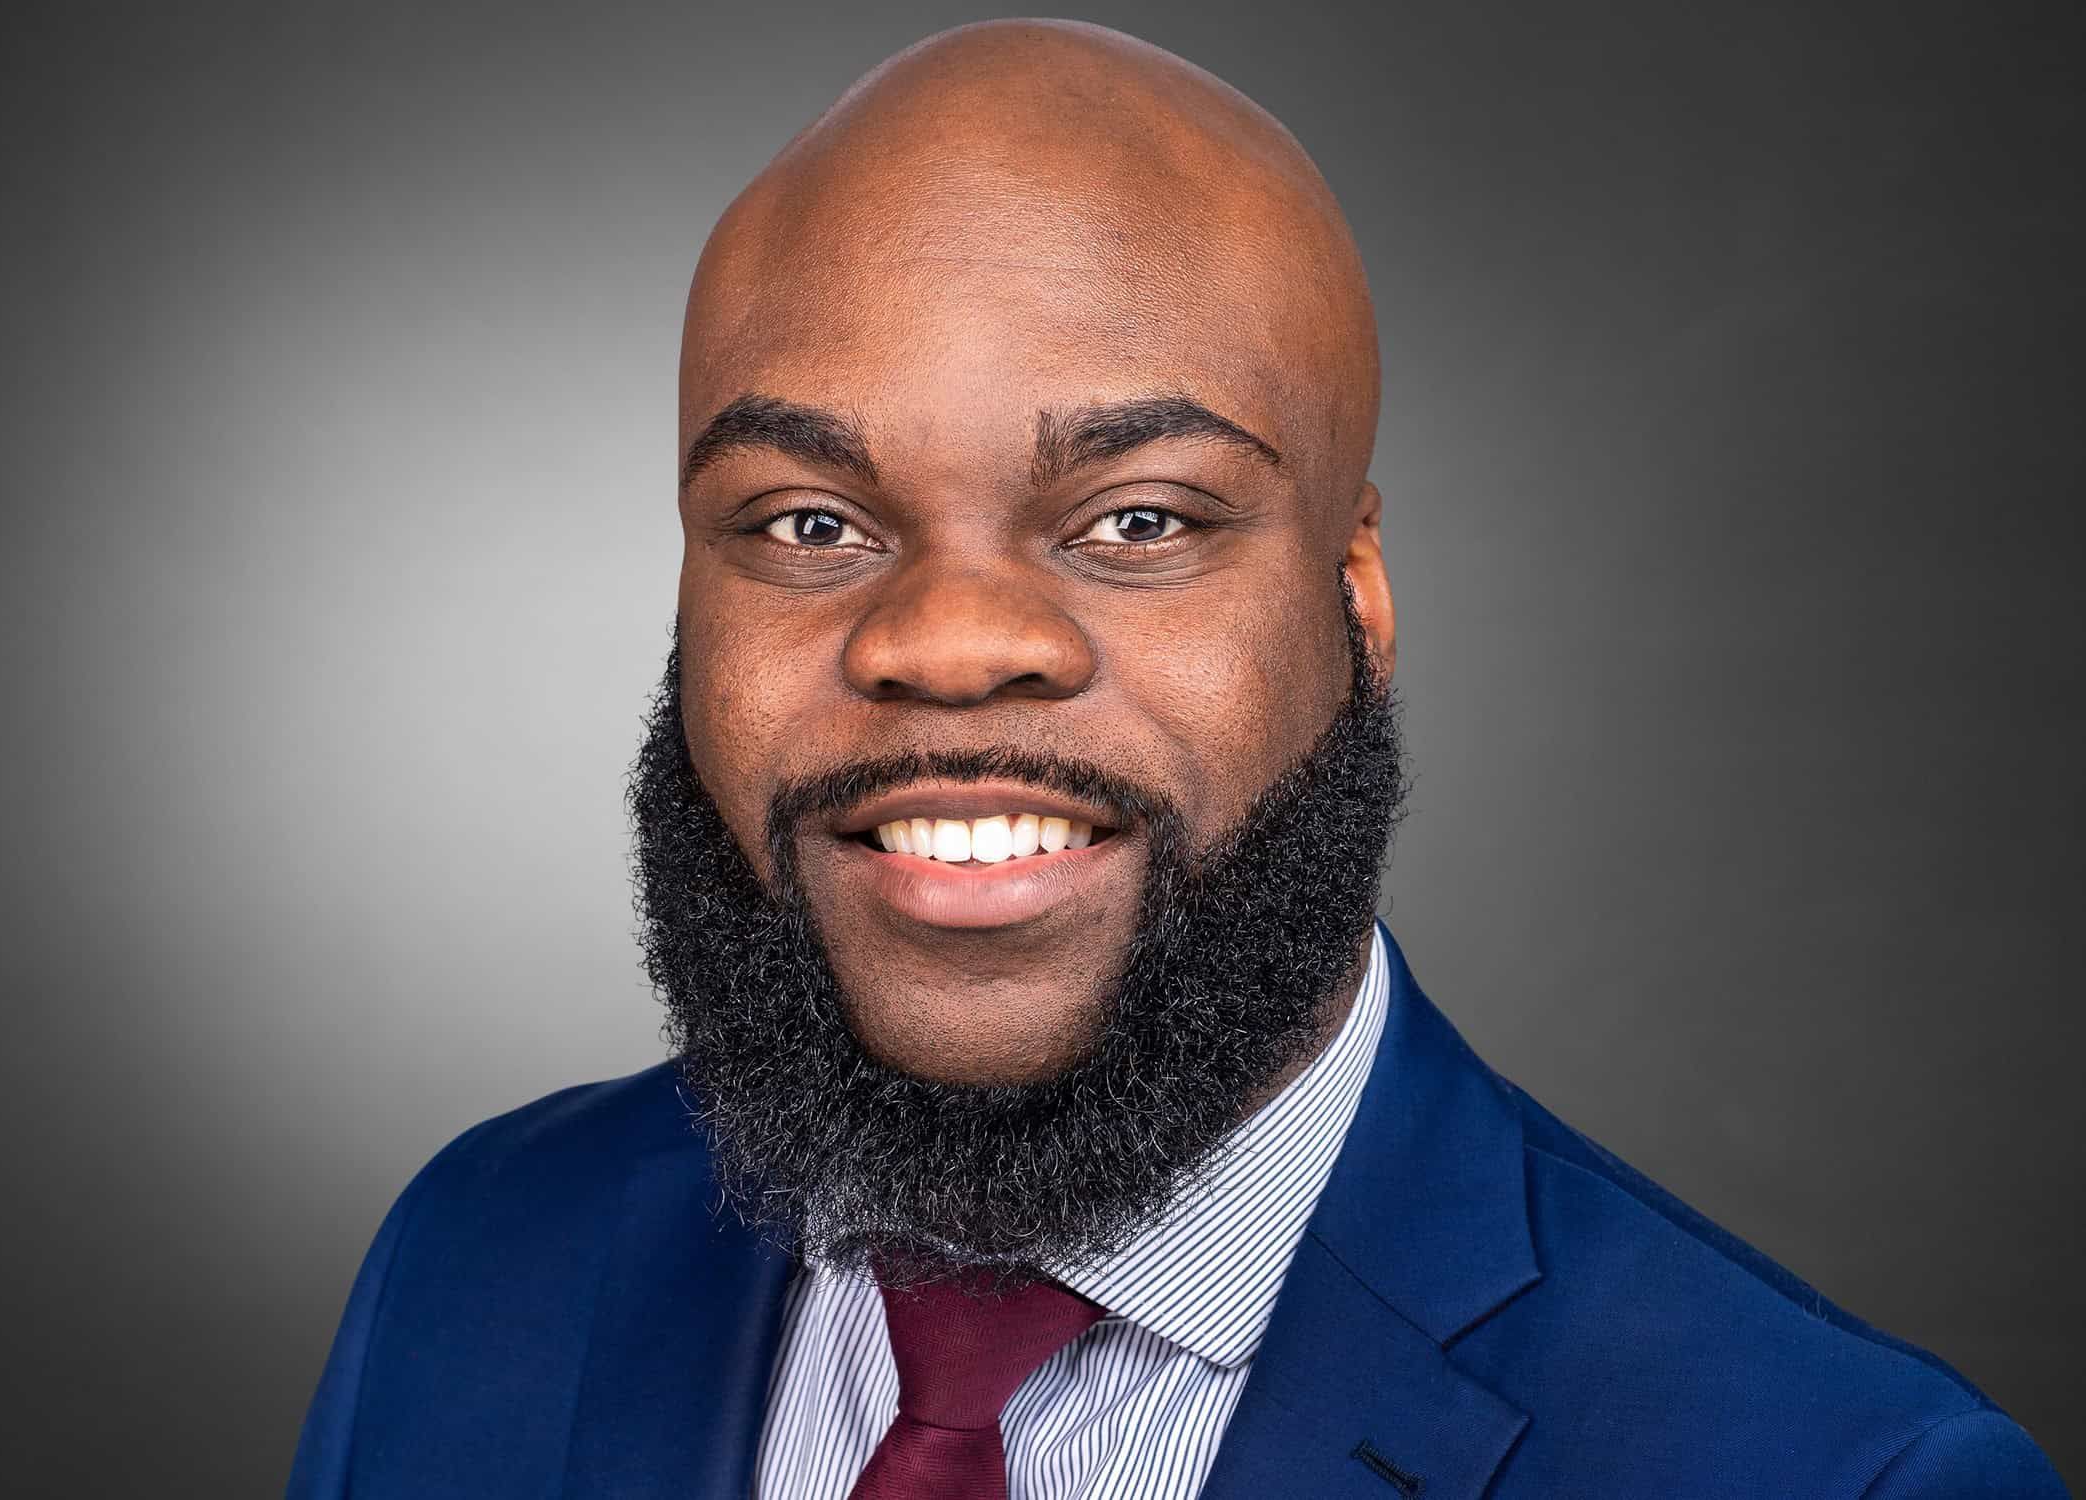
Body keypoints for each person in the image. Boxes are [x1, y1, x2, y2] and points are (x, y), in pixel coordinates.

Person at [287, 19, 2065, 1499]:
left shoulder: (1837, 1472)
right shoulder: (479, 1261)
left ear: (1355, 598)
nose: (951, 640)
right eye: (810, 520)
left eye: (1137, 517)